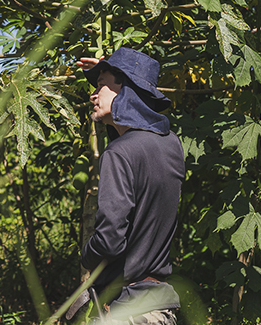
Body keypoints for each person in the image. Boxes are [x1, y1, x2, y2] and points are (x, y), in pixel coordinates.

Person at [73, 47, 185, 325]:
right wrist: (108, 70)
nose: (93, 95)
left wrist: (86, 257)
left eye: (100, 86)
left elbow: (110, 240)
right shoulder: (172, 145)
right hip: (161, 307)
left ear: (126, 92)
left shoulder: (119, 153)